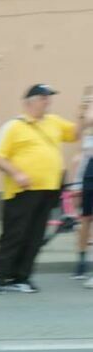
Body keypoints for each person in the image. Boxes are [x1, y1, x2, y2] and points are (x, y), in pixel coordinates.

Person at [0, 84, 81, 294]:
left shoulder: (54, 122)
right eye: (43, 97)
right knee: (14, 235)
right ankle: (0, 278)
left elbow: (74, 134)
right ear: (30, 102)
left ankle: (22, 277)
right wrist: (16, 173)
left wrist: (84, 116)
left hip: (48, 190)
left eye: (48, 98)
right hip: (21, 192)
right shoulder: (13, 126)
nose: (47, 101)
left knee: (35, 236)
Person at [71, 93, 93, 282]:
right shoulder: (85, 124)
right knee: (85, 218)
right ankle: (81, 262)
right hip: (87, 171)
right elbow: (76, 136)